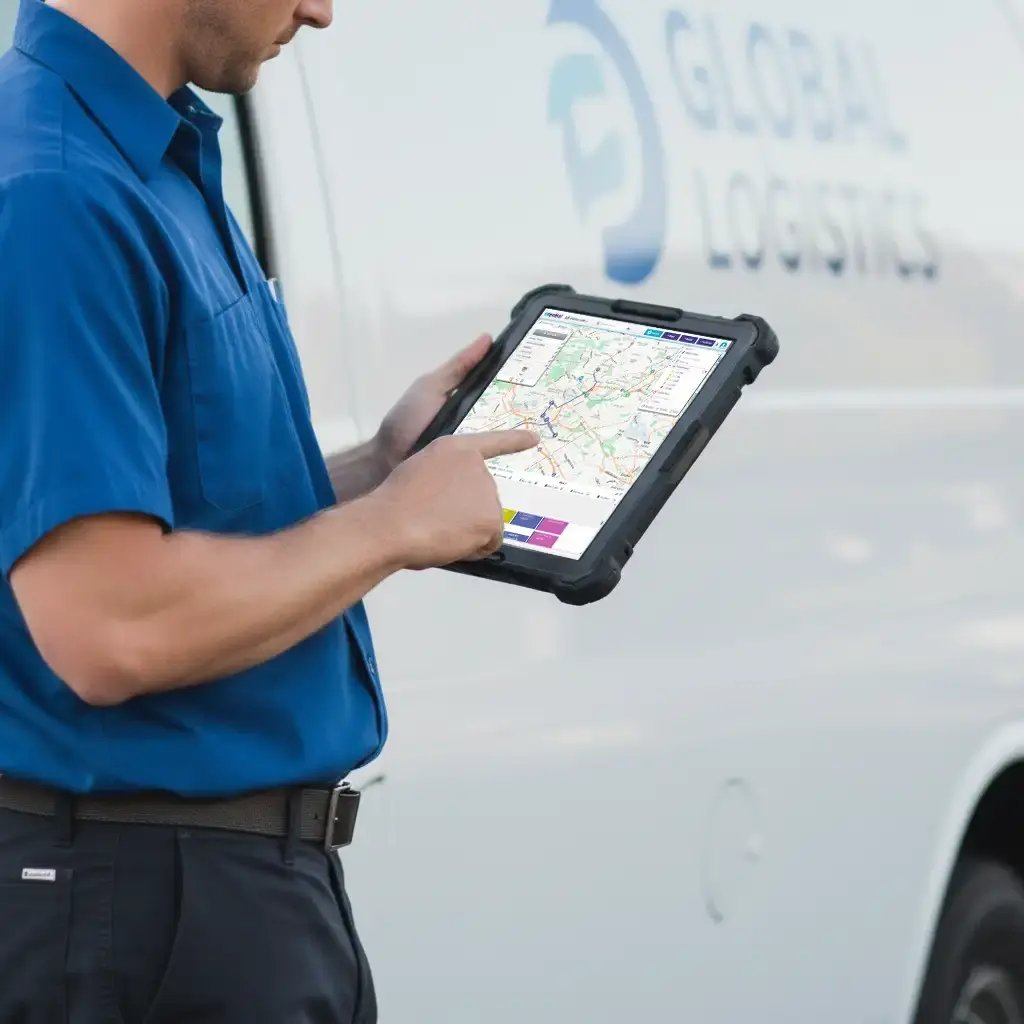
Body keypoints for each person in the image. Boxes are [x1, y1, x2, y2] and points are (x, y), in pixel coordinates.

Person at [0, 0, 539, 1019]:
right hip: (138, 906)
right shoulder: (57, 192)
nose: (321, 11)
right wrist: (389, 529)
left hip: (207, 897)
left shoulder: (152, 160)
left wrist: (381, 470)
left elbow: (184, 523)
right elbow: (109, 623)